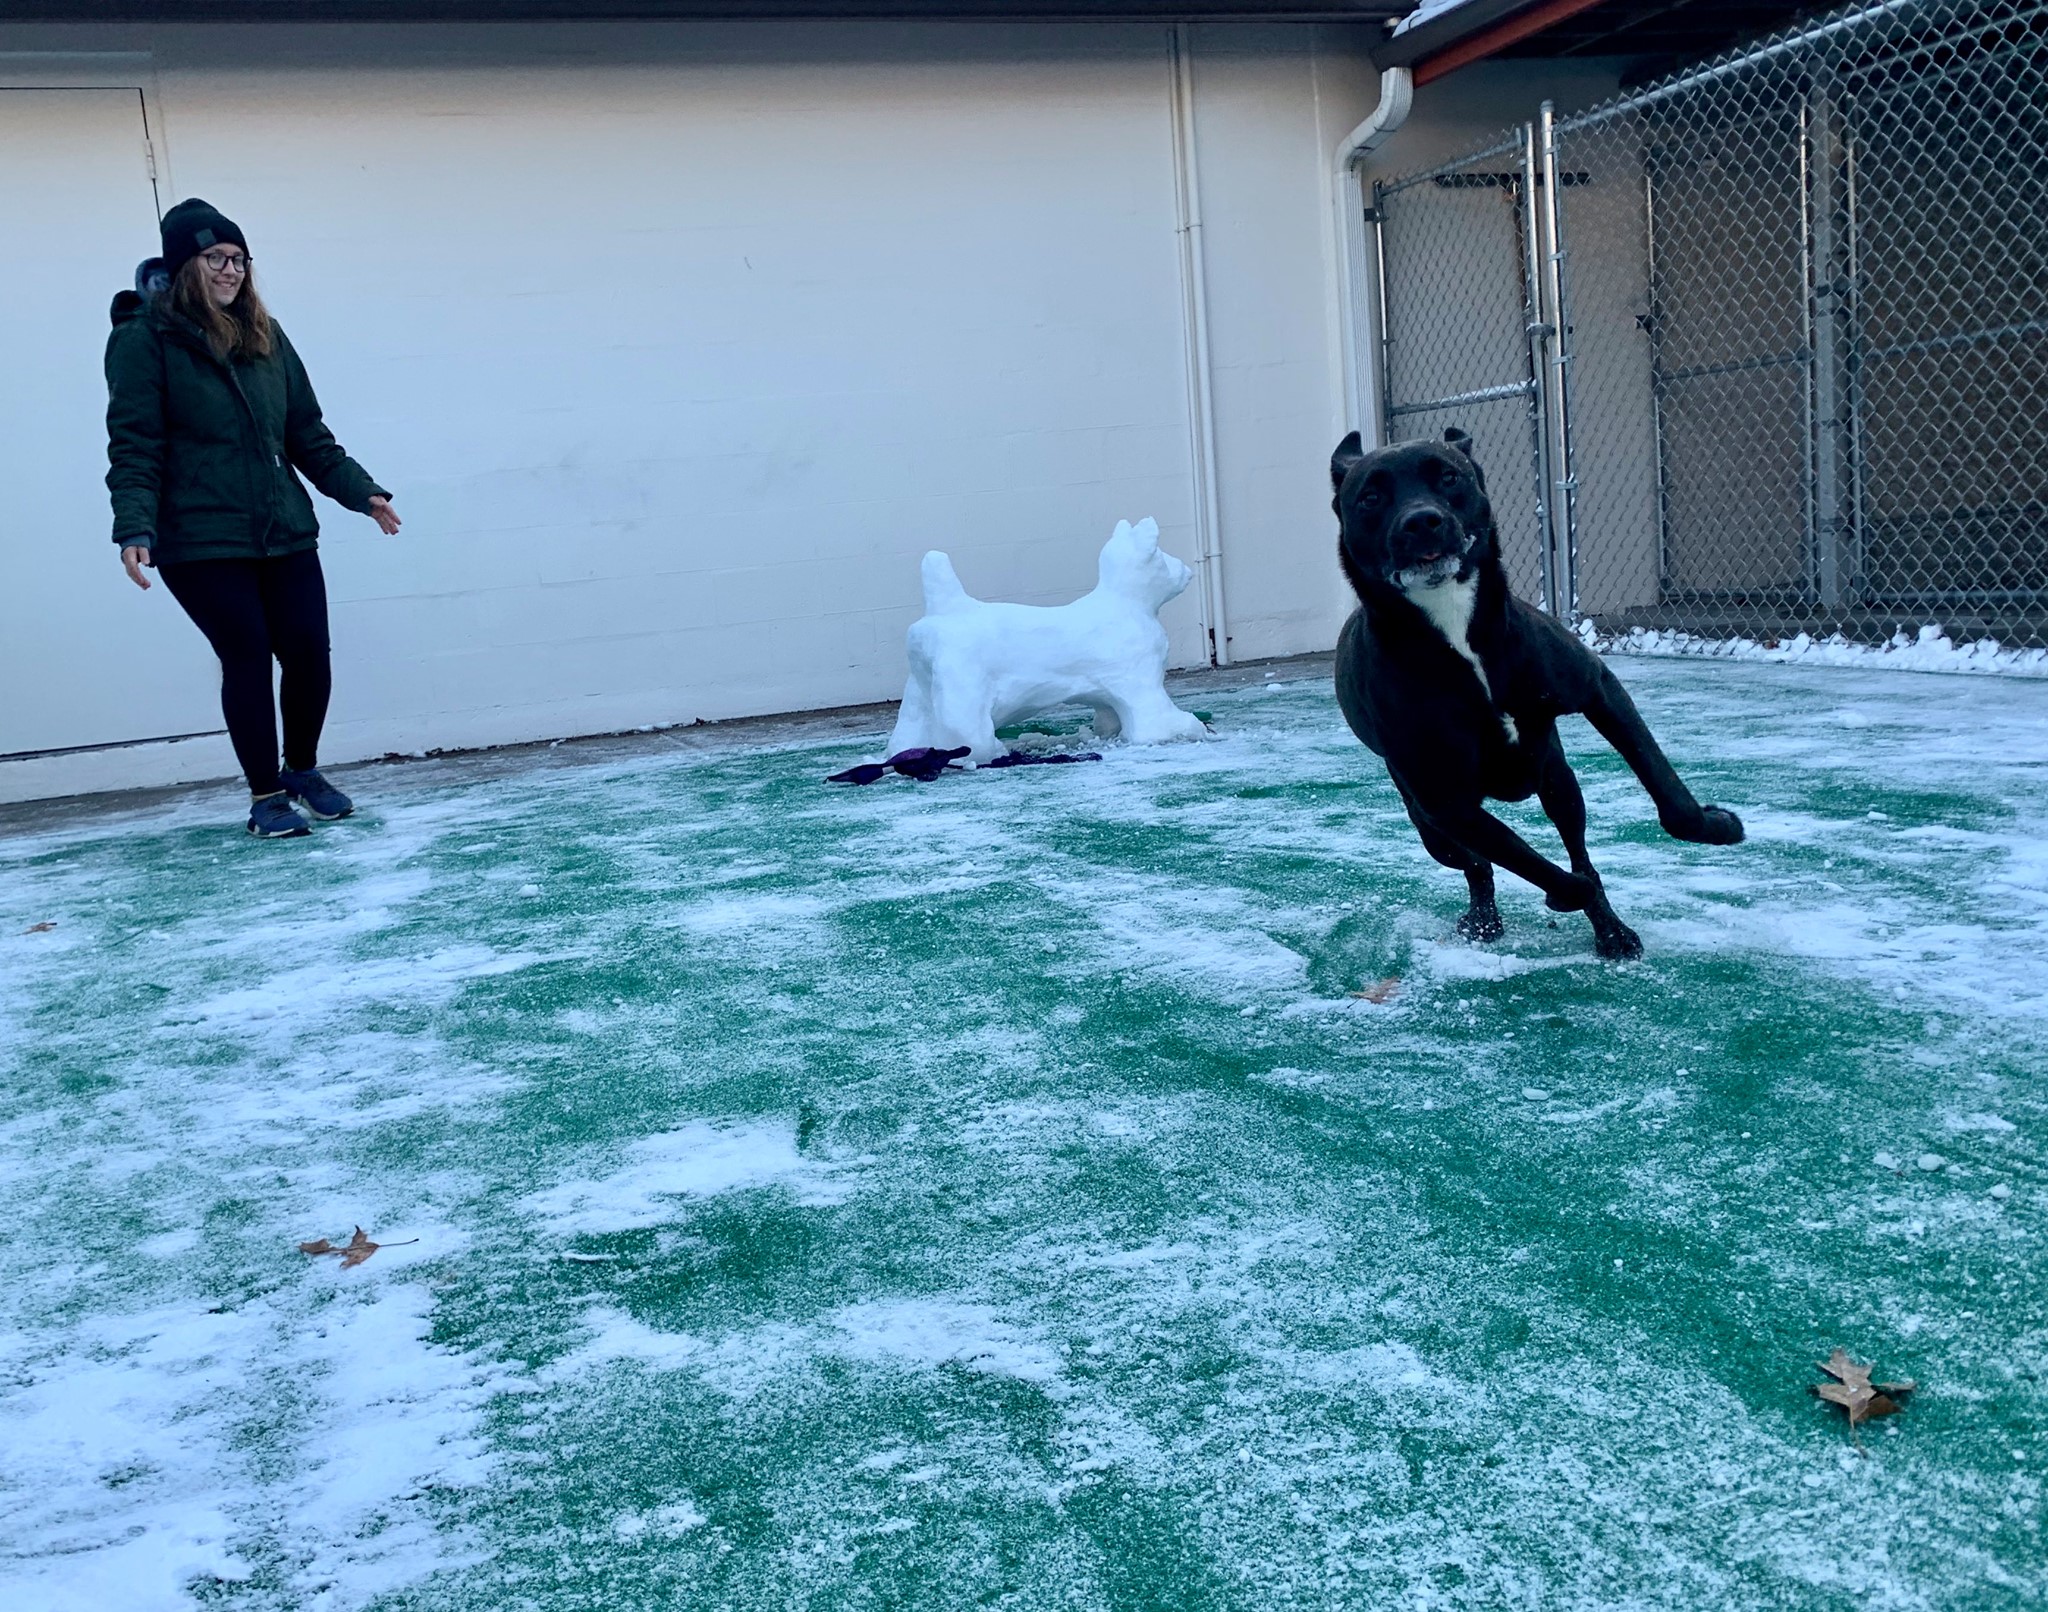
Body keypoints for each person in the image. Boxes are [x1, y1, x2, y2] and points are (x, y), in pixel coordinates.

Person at [105, 198, 401, 839]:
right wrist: (134, 526)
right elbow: (134, 444)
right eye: (217, 258)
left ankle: (302, 771)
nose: (232, 270)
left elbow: (306, 434)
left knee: (308, 654)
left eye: (240, 259)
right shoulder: (143, 341)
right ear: (187, 265)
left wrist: (362, 492)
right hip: (200, 537)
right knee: (245, 656)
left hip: (282, 525)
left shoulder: (266, 334)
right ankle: (266, 796)